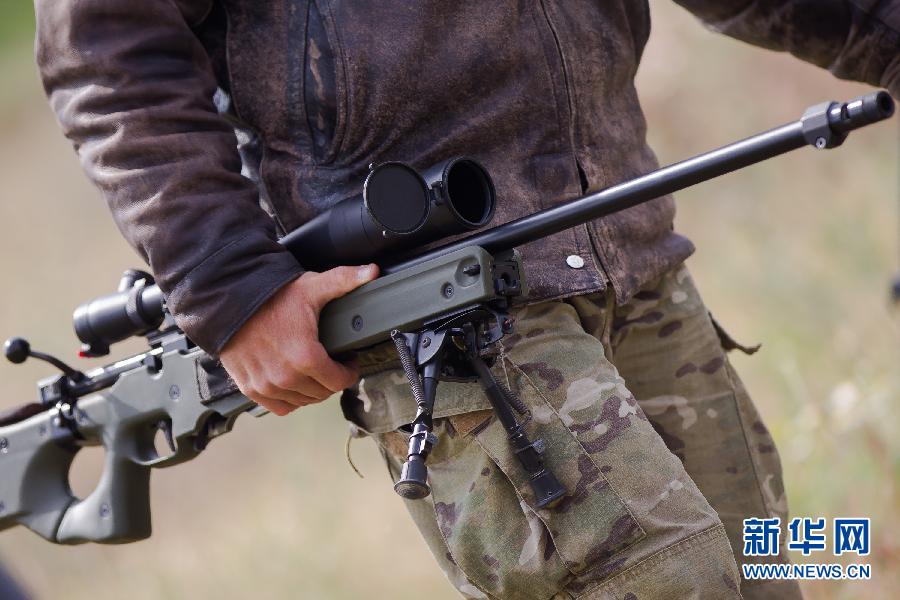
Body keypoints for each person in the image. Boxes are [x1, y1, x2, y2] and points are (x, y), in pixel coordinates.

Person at [35, 1, 899, 598]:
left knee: (774, 566)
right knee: (676, 583)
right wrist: (226, 283)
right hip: (435, 303)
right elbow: (104, 46)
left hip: (627, 243)